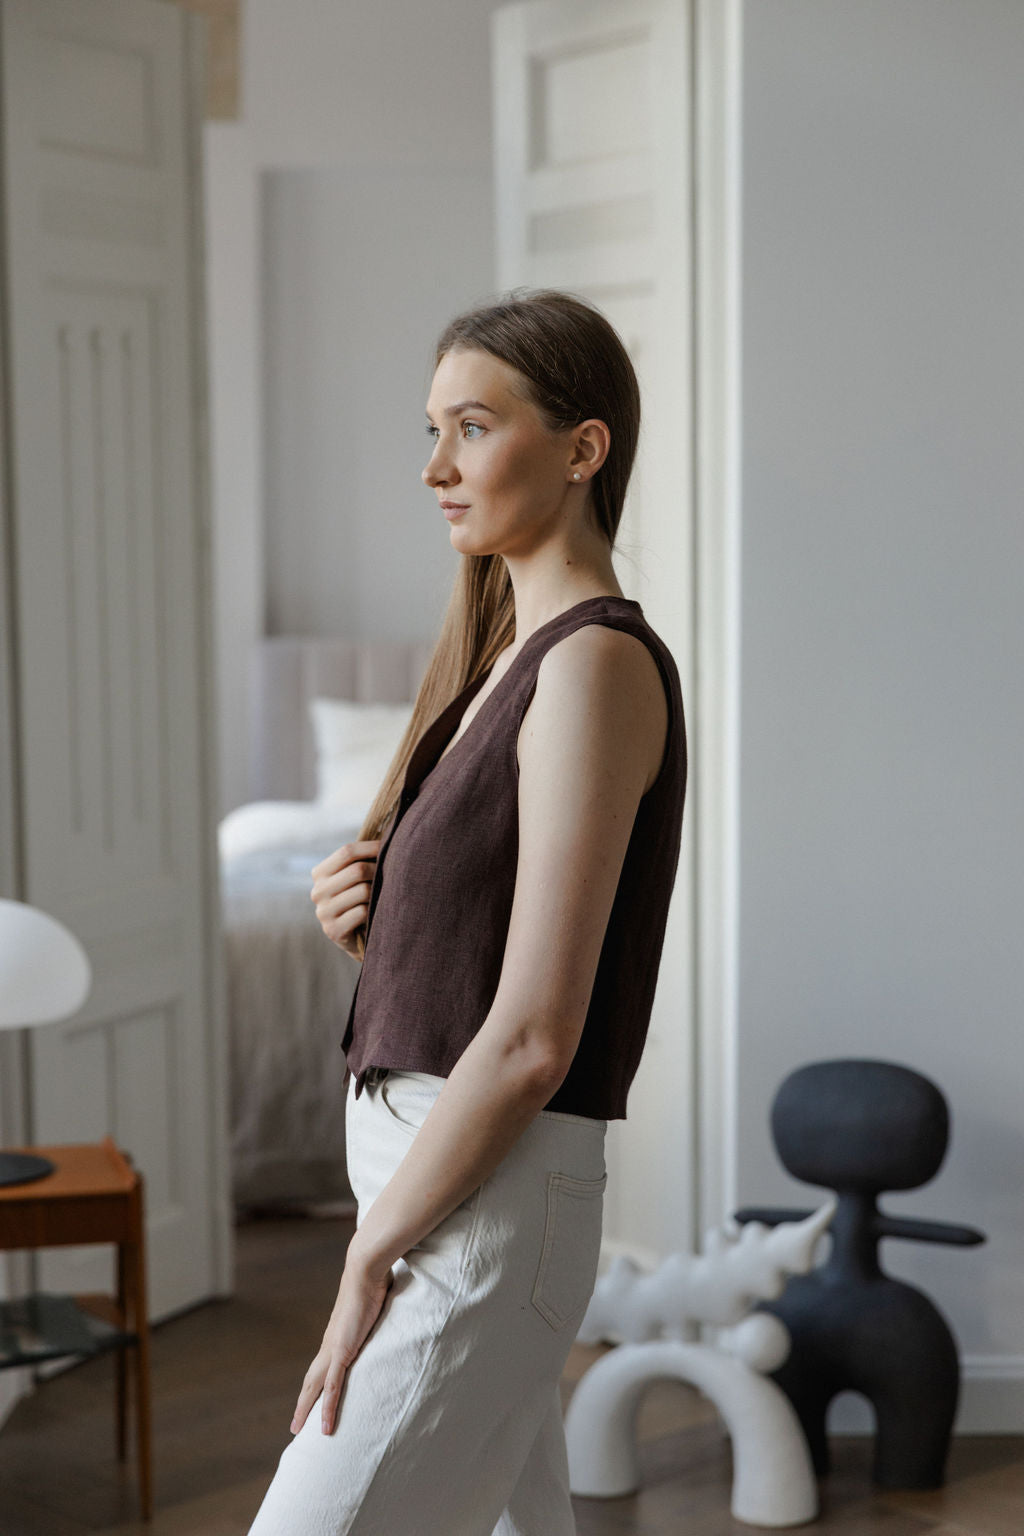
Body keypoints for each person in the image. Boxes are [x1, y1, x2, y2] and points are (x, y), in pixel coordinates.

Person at [246, 288, 687, 1535]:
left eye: (473, 428)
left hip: (475, 1210)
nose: (435, 467)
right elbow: (488, 961)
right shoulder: (506, 657)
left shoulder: (592, 664)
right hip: (451, 1188)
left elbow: (536, 1034)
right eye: (432, 430)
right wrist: (376, 925)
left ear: (582, 449)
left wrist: (366, 1251)